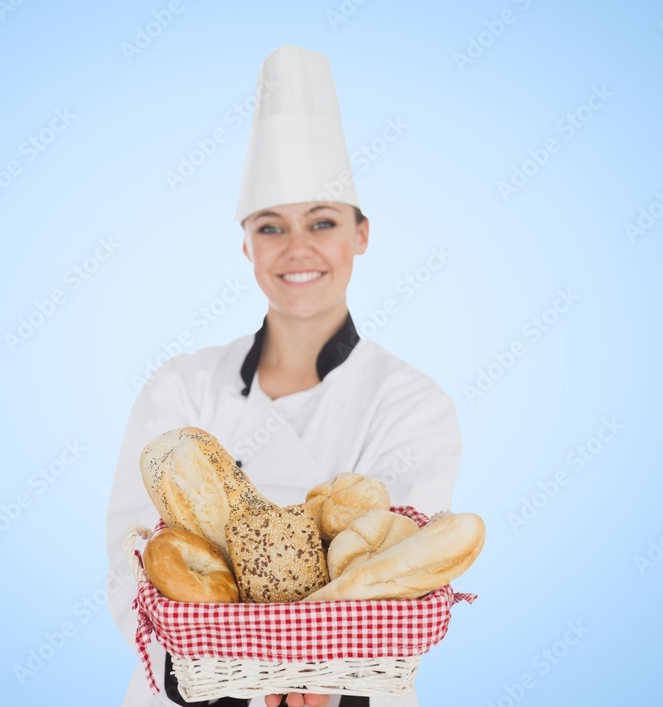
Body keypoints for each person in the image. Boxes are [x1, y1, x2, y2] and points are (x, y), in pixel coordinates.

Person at [106, 46, 464, 707]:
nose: (296, 249)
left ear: (362, 234)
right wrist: (218, 680)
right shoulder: (179, 390)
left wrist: (320, 682)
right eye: (271, 227)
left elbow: (396, 576)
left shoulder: (412, 403)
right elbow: (130, 566)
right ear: (246, 244)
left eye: (322, 222)